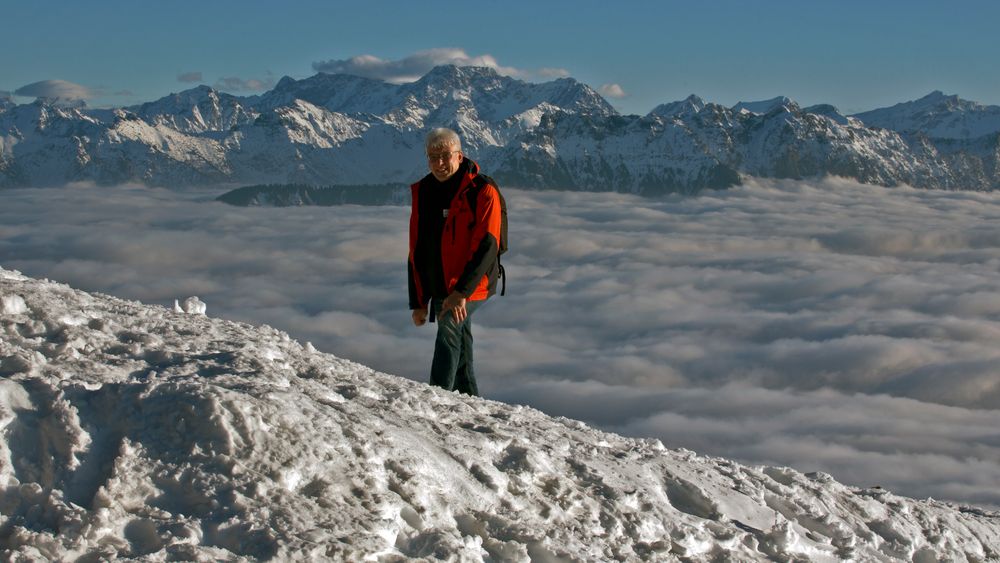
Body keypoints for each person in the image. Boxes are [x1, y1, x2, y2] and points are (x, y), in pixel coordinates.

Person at [408, 128, 503, 396]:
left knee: (449, 320)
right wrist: (417, 302)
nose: (439, 163)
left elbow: (488, 245)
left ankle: (436, 398)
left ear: (459, 156)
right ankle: (470, 401)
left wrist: (462, 292)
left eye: (445, 156)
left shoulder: (482, 191)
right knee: (460, 336)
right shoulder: (424, 191)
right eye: (432, 156)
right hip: (441, 282)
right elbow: (418, 248)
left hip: (475, 281)